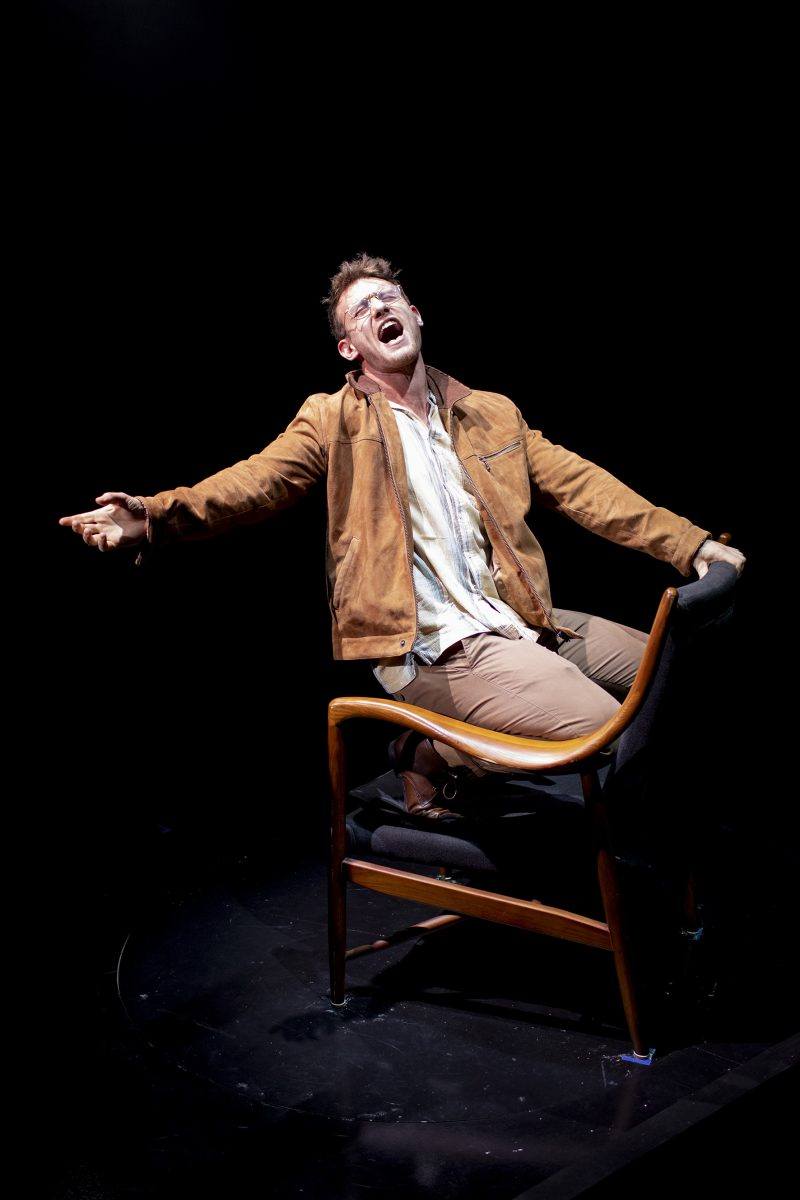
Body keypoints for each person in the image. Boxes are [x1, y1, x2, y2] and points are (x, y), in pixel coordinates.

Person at [58, 253, 746, 823]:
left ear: (416, 314)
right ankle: (444, 752)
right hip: (431, 643)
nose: (381, 308)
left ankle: (436, 754)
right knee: (612, 728)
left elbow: (587, 487)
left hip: (522, 620)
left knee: (679, 680)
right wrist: (152, 515)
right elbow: (254, 482)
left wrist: (692, 546)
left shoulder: (489, 413)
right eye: (362, 310)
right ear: (348, 347)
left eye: (390, 297)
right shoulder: (332, 419)